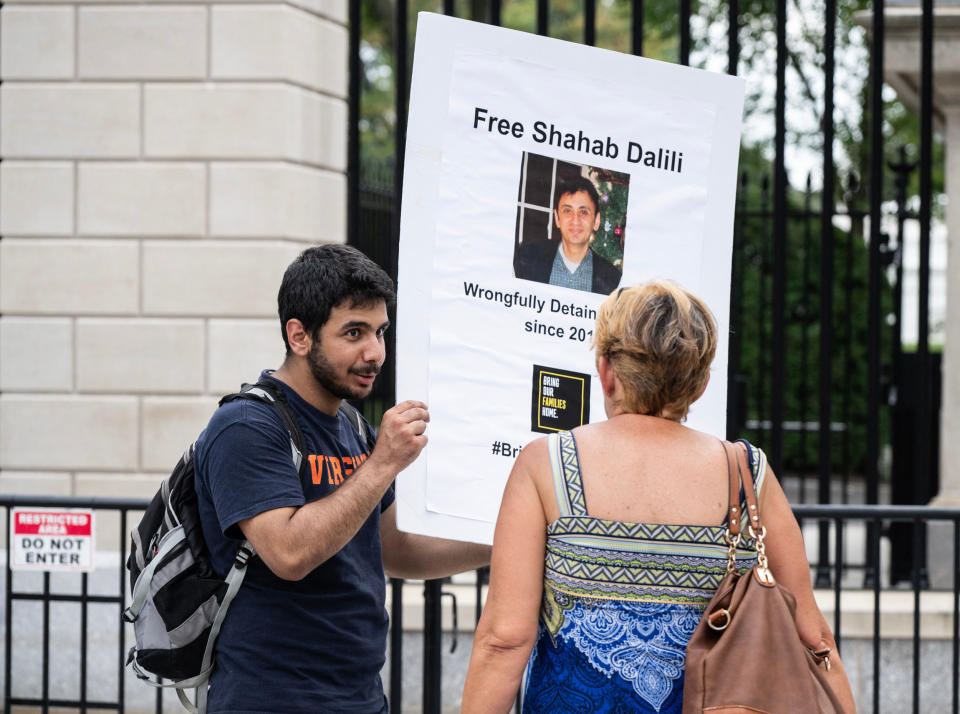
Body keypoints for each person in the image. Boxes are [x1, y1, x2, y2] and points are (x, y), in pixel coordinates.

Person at [462, 280, 856, 713]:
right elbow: (813, 638)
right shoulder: (747, 473)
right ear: (702, 383)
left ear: (607, 372)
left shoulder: (547, 464)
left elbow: (503, 641)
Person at [195, 244, 490, 713]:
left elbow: (396, 548)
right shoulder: (246, 426)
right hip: (271, 699)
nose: (375, 352)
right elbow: (289, 553)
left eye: (380, 331)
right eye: (354, 332)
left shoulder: (353, 426)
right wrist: (382, 464)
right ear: (299, 336)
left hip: (360, 696)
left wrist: (506, 541)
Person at [514, 176, 622, 295]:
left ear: (596, 221)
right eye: (567, 211)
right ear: (557, 218)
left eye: (583, 212)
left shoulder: (614, 281)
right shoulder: (527, 258)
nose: (575, 220)